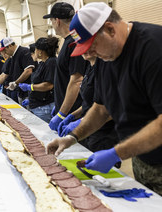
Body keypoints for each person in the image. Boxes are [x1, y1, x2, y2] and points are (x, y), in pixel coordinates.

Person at [47, 2, 162, 195]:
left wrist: (116, 153)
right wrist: (72, 137)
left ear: (109, 29)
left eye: (91, 45)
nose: (88, 54)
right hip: (142, 158)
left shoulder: (153, 49)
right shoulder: (105, 58)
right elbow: (101, 108)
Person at [43, 2, 88, 131]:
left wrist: (62, 113)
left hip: (72, 113)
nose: (52, 24)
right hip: (67, 109)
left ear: (57, 21)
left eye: (51, 21)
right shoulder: (67, 42)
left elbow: (76, 80)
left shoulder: (74, 43)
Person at [18, 37, 58, 122]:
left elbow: (48, 85)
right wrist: (31, 98)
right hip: (38, 105)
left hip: (44, 107)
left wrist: (30, 87)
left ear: (40, 51)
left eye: (35, 49)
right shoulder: (43, 63)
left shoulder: (51, 62)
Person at [0, 37, 35, 104]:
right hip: (20, 91)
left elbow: (28, 71)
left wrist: (15, 82)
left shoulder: (24, 52)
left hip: (28, 92)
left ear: (10, 46)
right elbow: (4, 75)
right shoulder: (12, 57)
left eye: (5, 50)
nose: (5, 53)